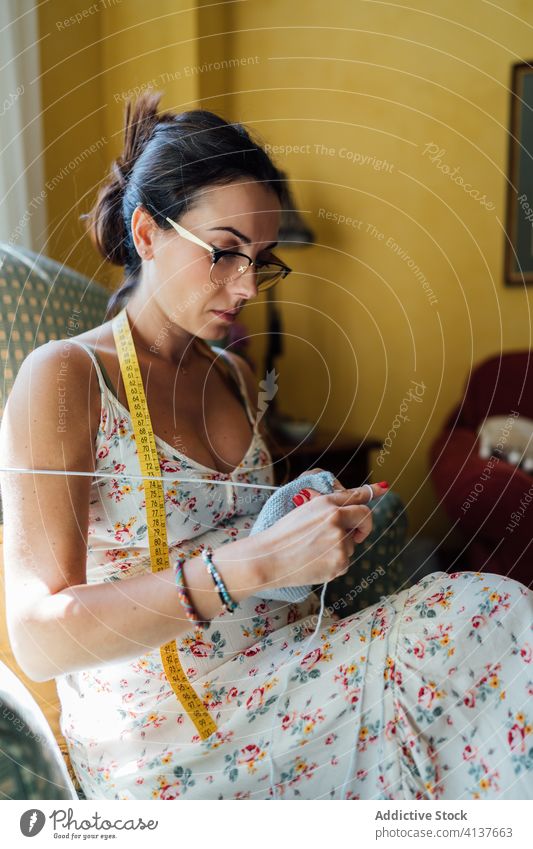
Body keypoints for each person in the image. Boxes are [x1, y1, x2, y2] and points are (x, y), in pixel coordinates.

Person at [1, 93, 531, 801]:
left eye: (261, 259)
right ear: (148, 232)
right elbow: (39, 637)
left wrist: (304, 523)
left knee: (491, 620)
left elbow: (240, 533)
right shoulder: (66, 376)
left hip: (292, 665)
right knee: (485, 622)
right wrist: (252, 562)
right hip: (171, 740)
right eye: (223, 253)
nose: (246, 285)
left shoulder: (232, 372)